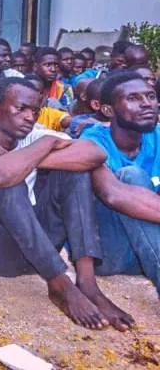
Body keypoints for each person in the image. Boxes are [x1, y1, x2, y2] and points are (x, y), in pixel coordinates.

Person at [0, 77, 132, 331]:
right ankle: (60, 284)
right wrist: (28, 157)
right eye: (21, 109)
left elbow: (96, 153)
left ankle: (87, 282)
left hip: (40, 243)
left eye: (35, 111)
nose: (30, 117)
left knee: (75, 171)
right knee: (9, 183)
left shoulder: (38, 137)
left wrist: (36, 155)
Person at [82, 71, 160, 304]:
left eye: (151, 96)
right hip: (110, 251)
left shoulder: (157, 136)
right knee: (131, 176)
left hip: (147, 250)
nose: (147, 104)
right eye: (134, 98)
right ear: (108, 111)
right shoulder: (92, 141)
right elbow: (112, 194)